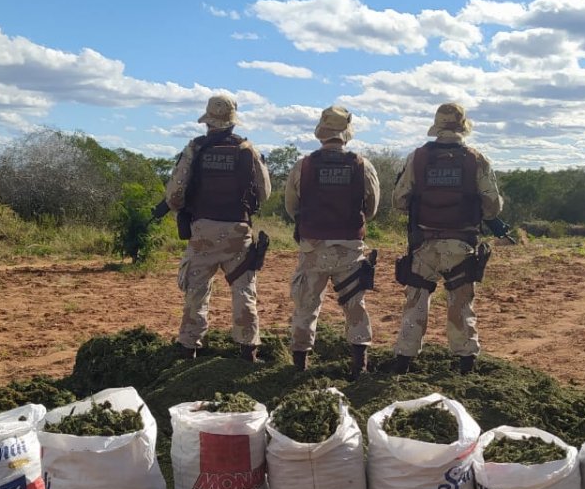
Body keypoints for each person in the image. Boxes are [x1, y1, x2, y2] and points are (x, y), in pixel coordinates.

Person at [390, 102, 503, 374]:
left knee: (415, 302)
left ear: (437, 126)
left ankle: (403, 361)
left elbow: (399, 201)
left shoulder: (417, 157)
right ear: (462, 127)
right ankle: (466, 364)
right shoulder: (476, 159)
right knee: (461, 305)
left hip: (423, 243)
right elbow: (493, 207)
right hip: (461, 246)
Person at [164, 94, 272, 362]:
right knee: (244, 290)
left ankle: (189, 349)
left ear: (207, 120)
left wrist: (182, 209)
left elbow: (175, 192)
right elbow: (265, 191)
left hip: (202, 231)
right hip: (238, 230)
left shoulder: (195, 148)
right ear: (233, 122)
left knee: (196, 292)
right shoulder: (248, 149)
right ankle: (249, 352)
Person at [284, 106, 380, 379]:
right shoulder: (363, 165)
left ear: (322, 132)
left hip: (313, 246)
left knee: (306, 304)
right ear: (346, 134)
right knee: (355, 304)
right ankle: (359, 365)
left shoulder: (303, 165)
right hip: (350, 247)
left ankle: (300, 365)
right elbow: (371, 208)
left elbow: (292, 206)